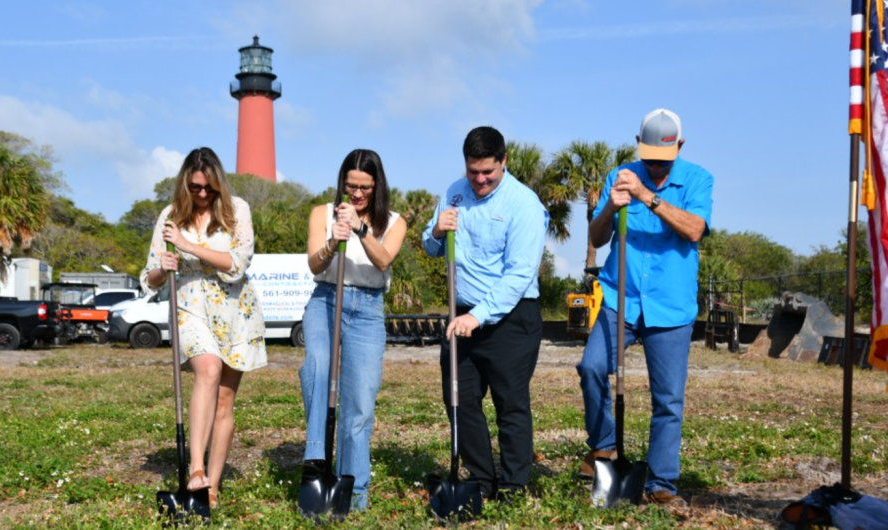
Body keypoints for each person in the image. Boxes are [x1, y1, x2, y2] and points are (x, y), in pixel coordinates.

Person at [576, 109, 713, 506]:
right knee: (591, 367)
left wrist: (646, 197)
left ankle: (662, 484)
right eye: (649, 157)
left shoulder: (698, 180)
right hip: (622, 299)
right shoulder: (619, 176)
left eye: (662, 160)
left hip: (670, 308)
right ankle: (604, 447)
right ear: (639, 144)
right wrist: (609, 208)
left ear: (679, 147)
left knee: (668, 399)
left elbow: (694, 229)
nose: (654, 166)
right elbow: (597, 238)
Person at [422, 126, 548, 501]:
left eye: (487, 172)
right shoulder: (454, 191)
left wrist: (478, 316)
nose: (479, 180)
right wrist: (436, 232)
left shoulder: (524, 204)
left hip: (511, 317)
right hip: (460, 314)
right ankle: (481, 480)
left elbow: (520, 274)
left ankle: (512, 485)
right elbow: (431, 246)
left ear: (504, 161)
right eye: (473, 171)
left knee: (510, 403)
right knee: (459, 398)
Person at [141, 147, 267, 506]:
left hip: (234, 311)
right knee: (208, 369)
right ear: (185, 182)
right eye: (195, 187)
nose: (201, 195)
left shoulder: (236, 209)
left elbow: (237, 264)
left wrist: (188, 246)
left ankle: (211, 487)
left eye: (208, 189)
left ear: (218, 186)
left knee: (225, 401)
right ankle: (196, 470)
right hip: (189, 306)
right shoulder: (170, 216)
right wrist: (162, 266)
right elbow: (149, 277)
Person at [299, 148, 407, 510]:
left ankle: (355, 491)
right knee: (316, 364)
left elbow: (383, 260)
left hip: (368, 309)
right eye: (350, 186)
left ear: (377, 186)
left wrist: (360, 230)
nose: (357, 194)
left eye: (364, 187)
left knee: (359, 401)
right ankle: (316, 460)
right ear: (341, 183)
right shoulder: (321, 213)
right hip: (326, 299)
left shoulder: (394, 221)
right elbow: (315, 266)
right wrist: (333, 240)